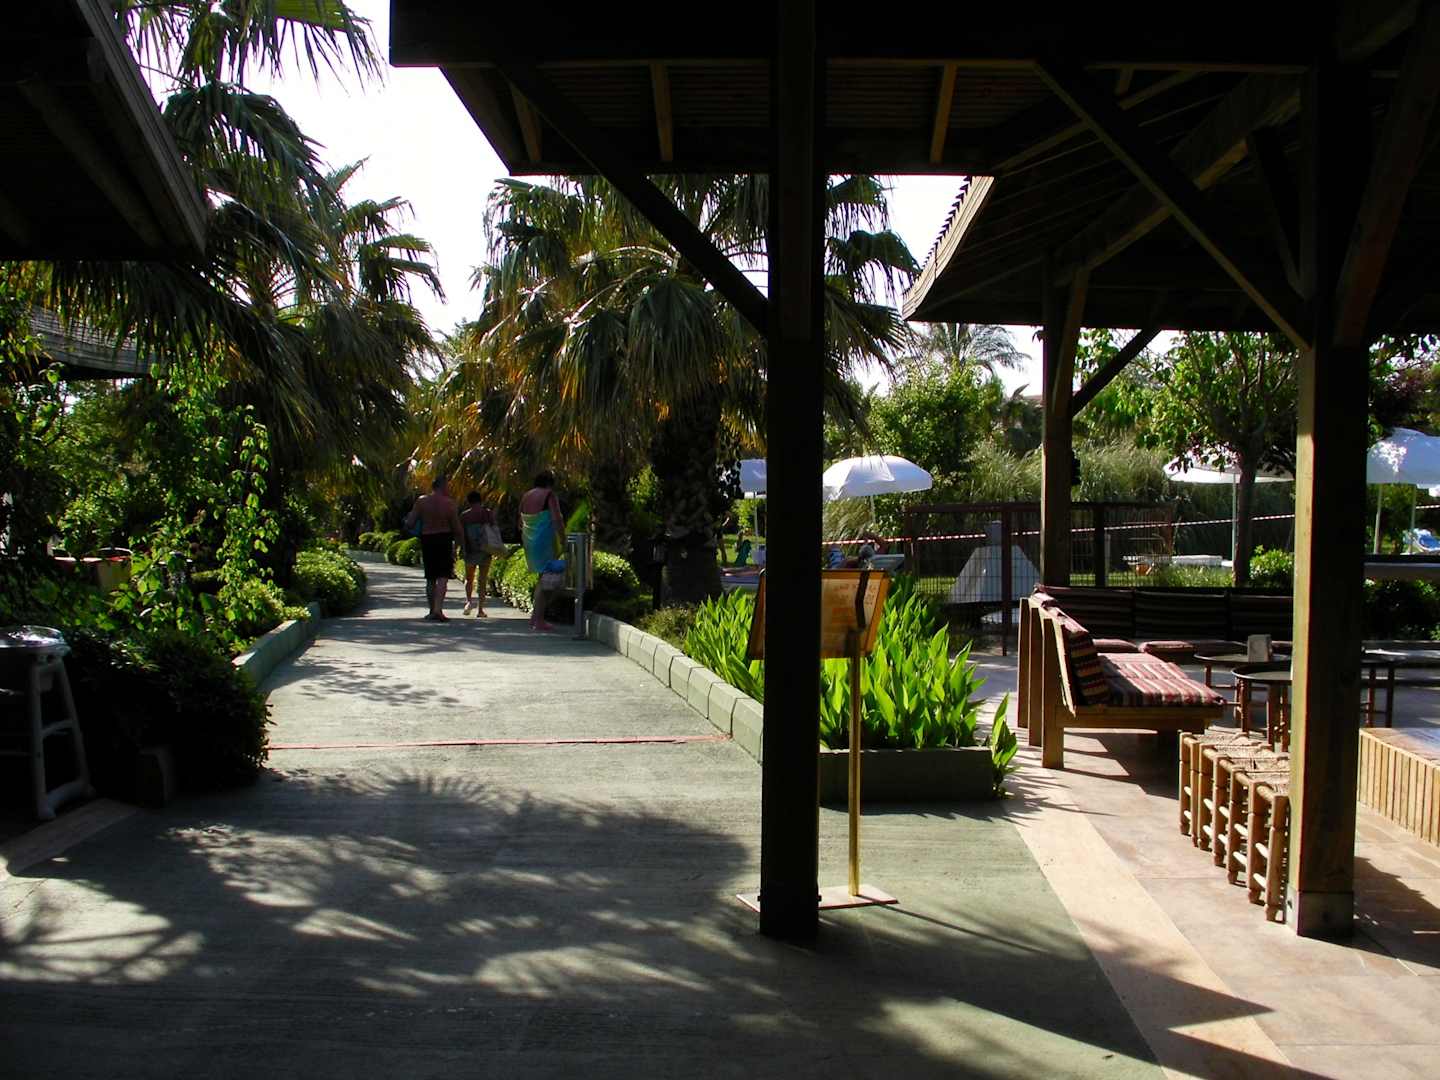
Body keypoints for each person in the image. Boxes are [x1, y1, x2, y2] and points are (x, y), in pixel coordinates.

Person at [404, 475, 464, 621]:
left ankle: (432, 610)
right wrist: (461, 544)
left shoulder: (422, 501)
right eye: (447, 486)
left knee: (430, 577)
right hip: (444, 539)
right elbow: (457, 527)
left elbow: (410, 523)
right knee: (443, 576)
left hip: (428, 539)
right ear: (442, 486)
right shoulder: (449, 503)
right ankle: (438, 609)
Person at [519, 470, 565, 633]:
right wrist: (563, 539)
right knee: (547, 578)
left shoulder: (526, 496)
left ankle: (535, 617)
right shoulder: (549, 495)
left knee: (542, 578)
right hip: (544, 540)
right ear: (550, 483)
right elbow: (556, 518)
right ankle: (538, 619)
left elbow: (520, 520)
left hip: (529, 540)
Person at [459, 491, 497, 617]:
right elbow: (494, 530)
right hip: (485, 550)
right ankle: (480, 610)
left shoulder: (465, 515)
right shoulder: (487, 513)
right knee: (482, 580)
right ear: (481, 500)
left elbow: (461, 535)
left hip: (470, 550)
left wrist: (461, 549)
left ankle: (469, 602)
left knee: (469, 578)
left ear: (469, 501)